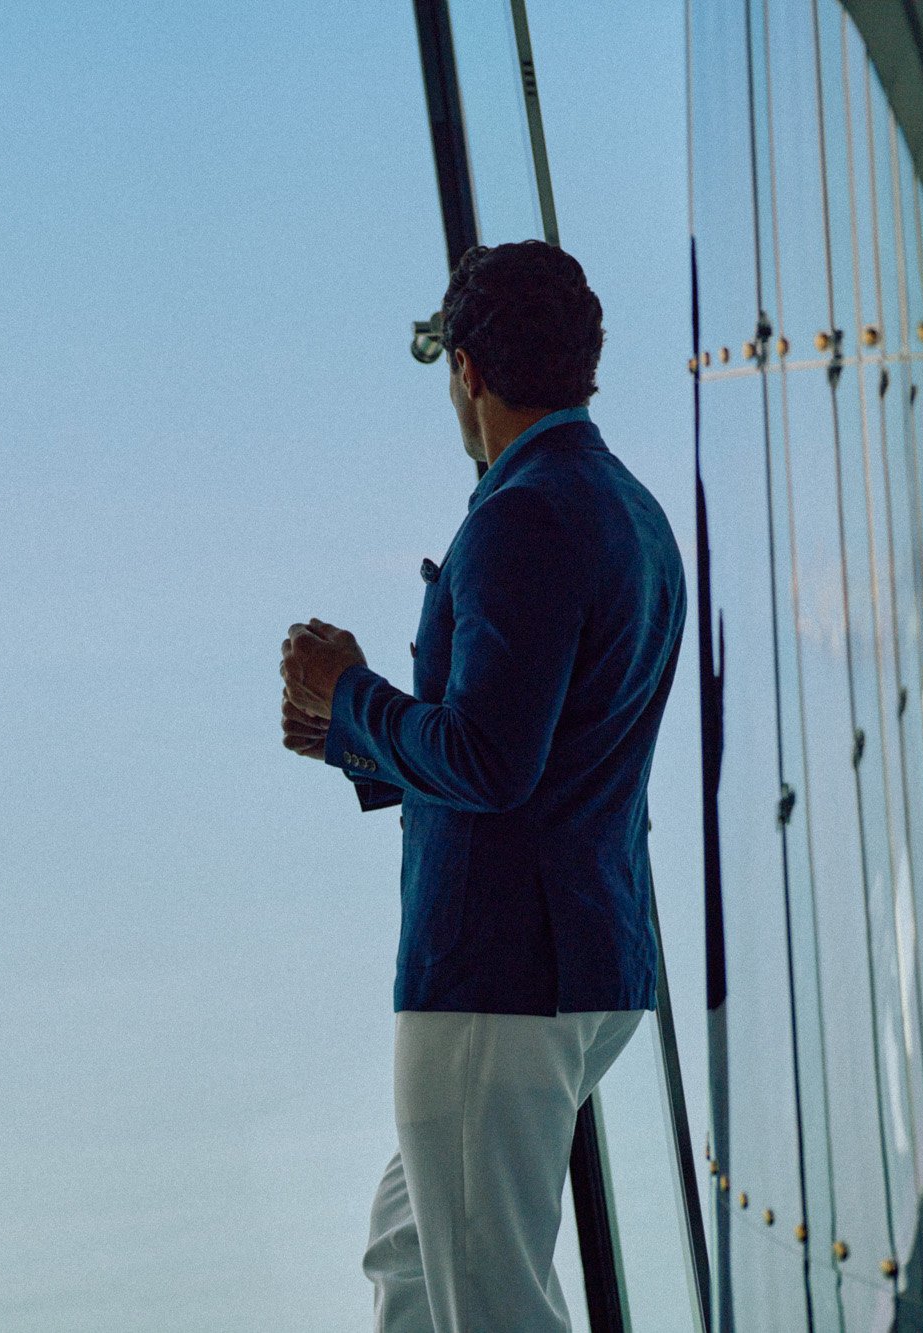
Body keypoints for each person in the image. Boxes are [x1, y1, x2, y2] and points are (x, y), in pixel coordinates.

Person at [278, 240, 685, 1333]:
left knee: (491, 1307)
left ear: (465, 368)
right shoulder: (632, 513)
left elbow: (493, 764)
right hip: (589, 961)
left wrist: (347, 689)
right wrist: (349, 735)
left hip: (494, 975)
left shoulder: (520, 515)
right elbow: (543, 754)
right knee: (411, 1260)